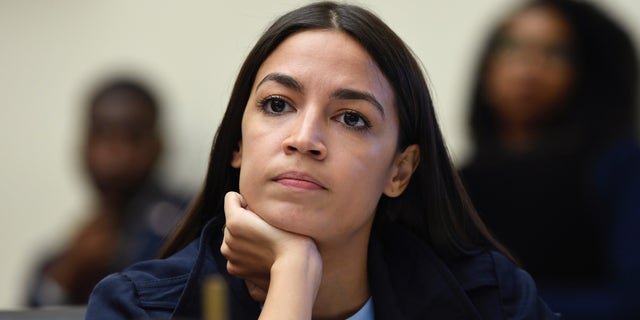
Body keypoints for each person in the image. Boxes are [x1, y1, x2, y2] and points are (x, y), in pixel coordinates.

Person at [86, 2, 558, 319]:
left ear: (400, 171)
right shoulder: (138, 308)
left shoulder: (494, 302)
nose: (305, 138)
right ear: (237, 144)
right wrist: (292, 275)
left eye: (351, 118)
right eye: (277, 105)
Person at [459, 0, 640, 319]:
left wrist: (504, 301)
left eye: (554, 52)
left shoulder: (619, 164)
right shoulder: (458, 178)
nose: (528, 68)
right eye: (511, 47)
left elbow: (630, 300)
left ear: (587, 71)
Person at [27, 78, 189, 306]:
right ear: (83, 146)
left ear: (158, 145)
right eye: (103, 134)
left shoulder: (193, 226)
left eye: (133, 136)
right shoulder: (63, 258)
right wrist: (68, 273)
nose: (116, 153)